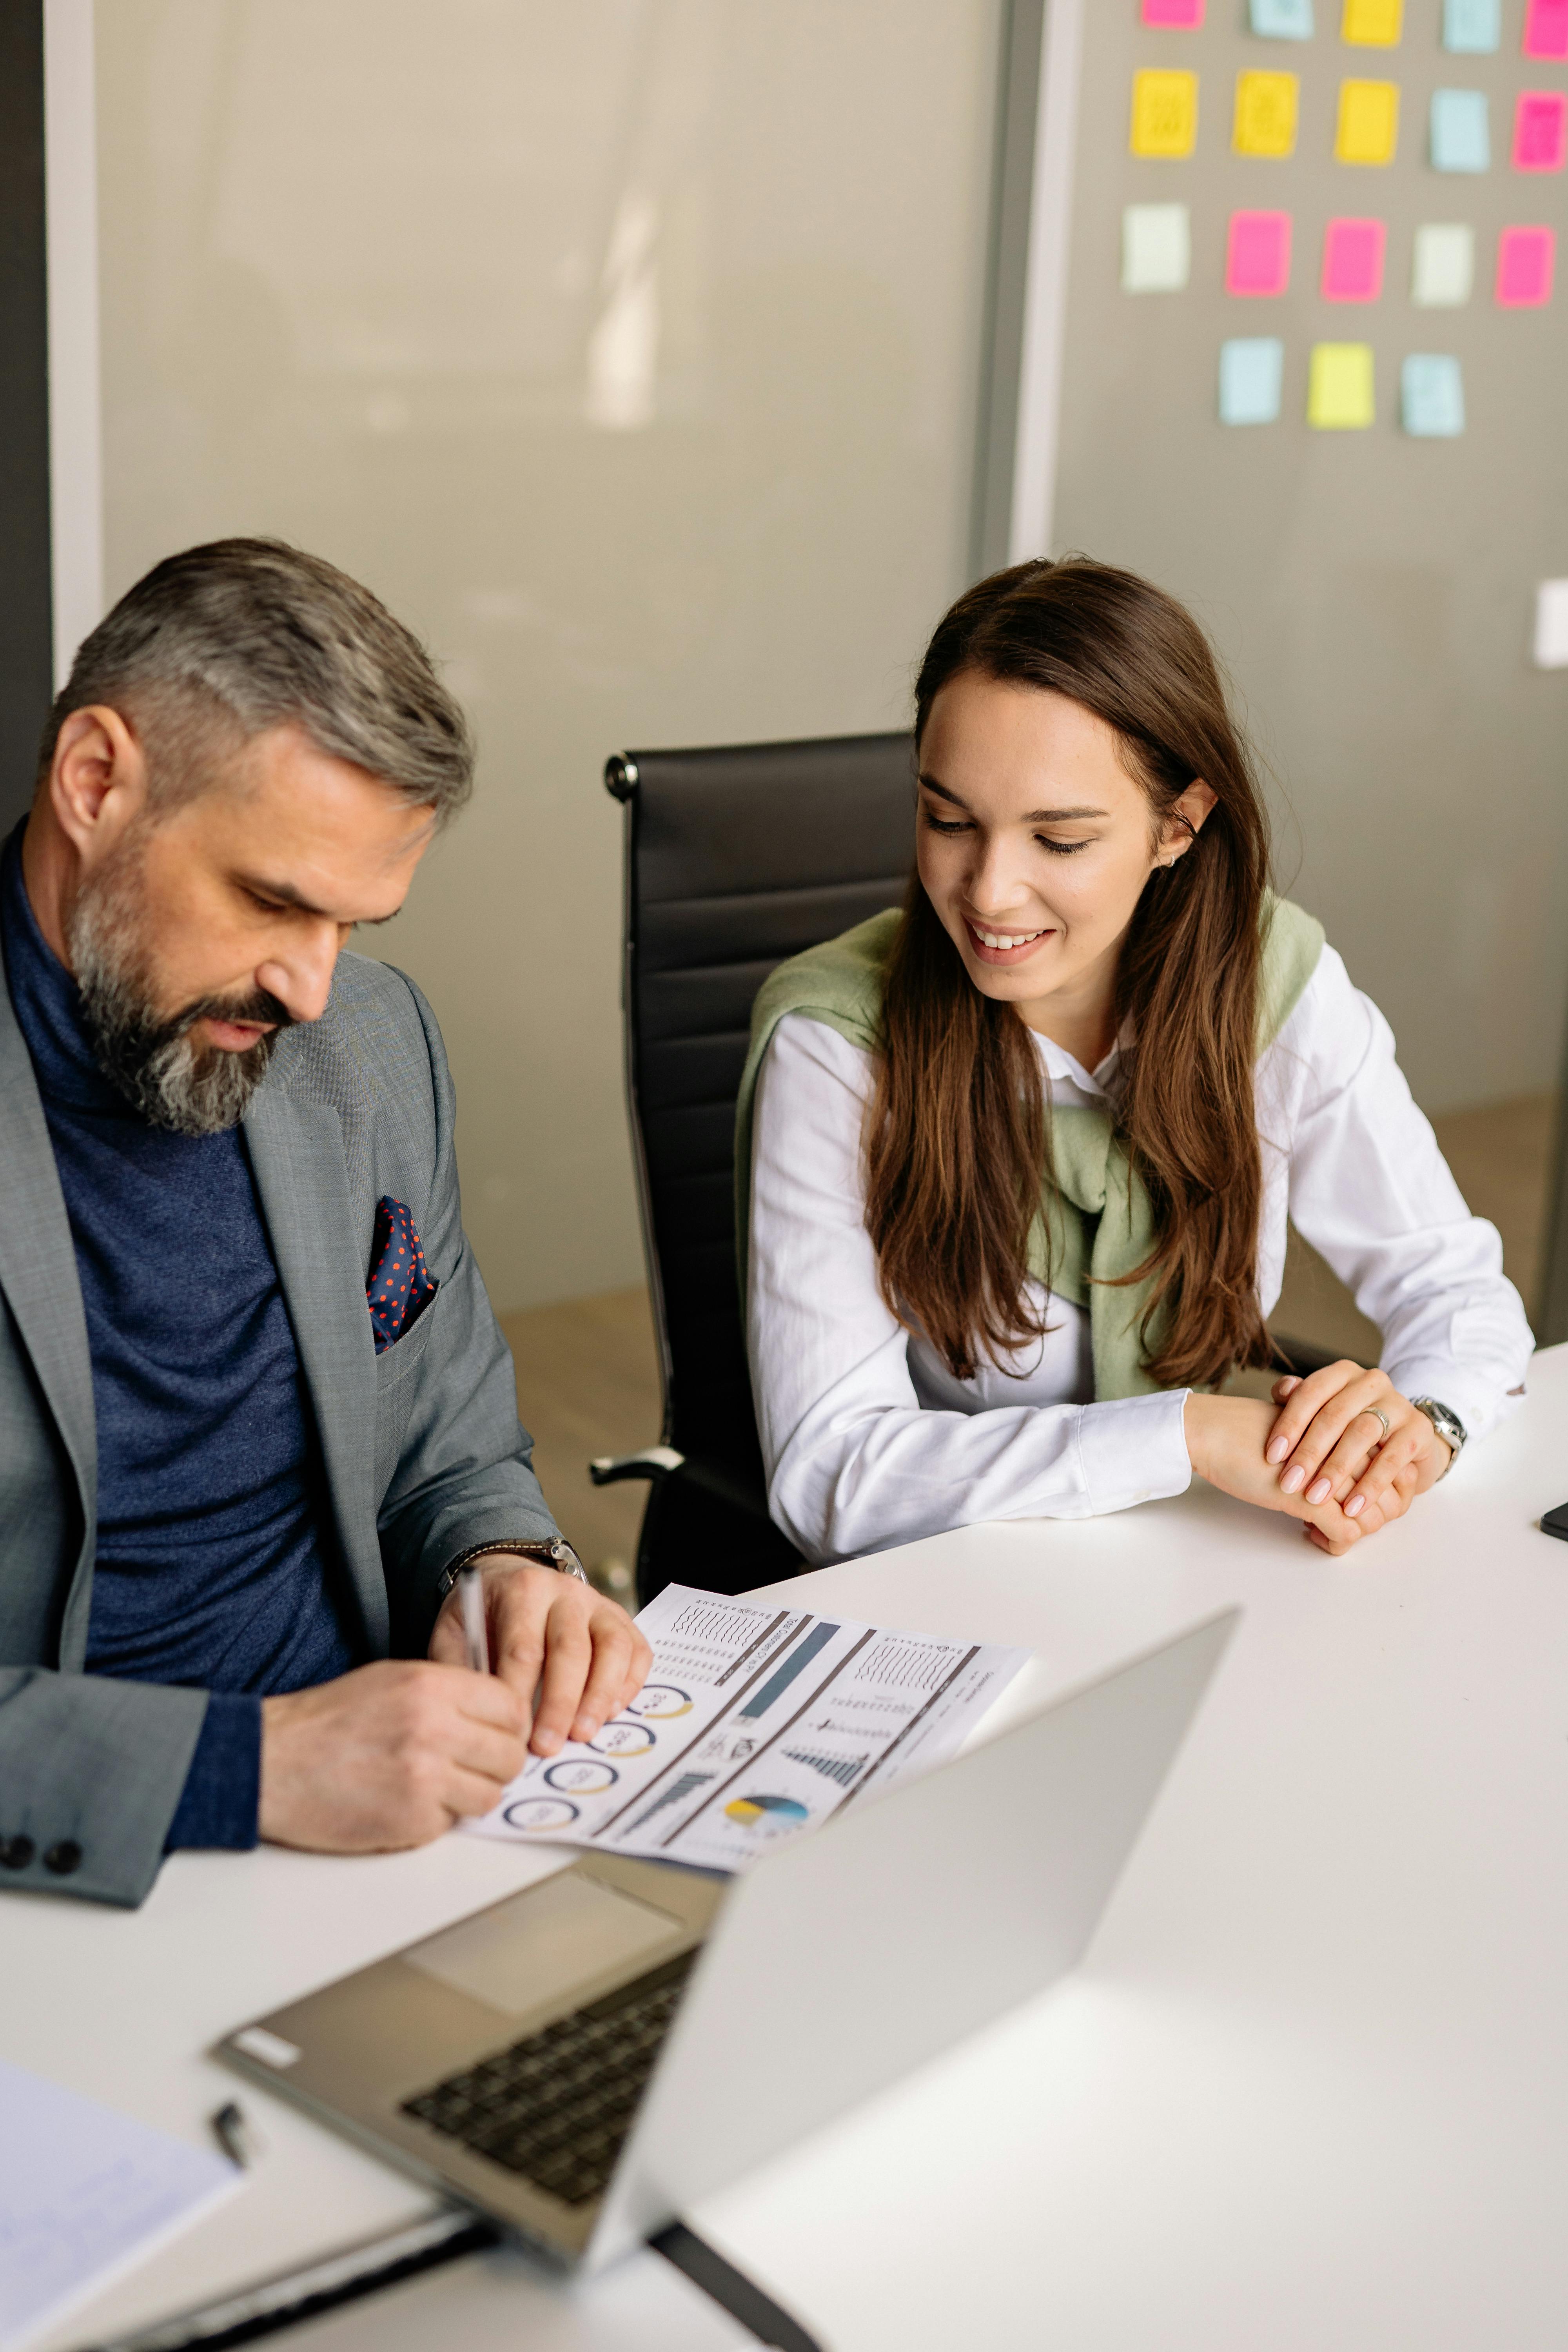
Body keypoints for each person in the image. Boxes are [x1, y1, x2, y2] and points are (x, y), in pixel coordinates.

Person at [0, 539, 650, 1907]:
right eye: (275, 901)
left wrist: (505, 1562)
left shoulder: (370, 1040)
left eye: (355, 922)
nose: (309, 989)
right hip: (83, 1879)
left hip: (400, 1824)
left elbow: (449, 1443)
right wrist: (243, 1770)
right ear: (96, 781)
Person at [739, 558, 1533, 1568]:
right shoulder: (840, 1044)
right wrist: (1186, 1434)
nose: (989, 892)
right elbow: (831, 1478)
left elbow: (1455, 1290)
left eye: (1058, 839)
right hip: (959, 1586)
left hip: (1185, 1564)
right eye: (949, 821)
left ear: (1178, 826)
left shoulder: (1271, 986)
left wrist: (1418, 1430)